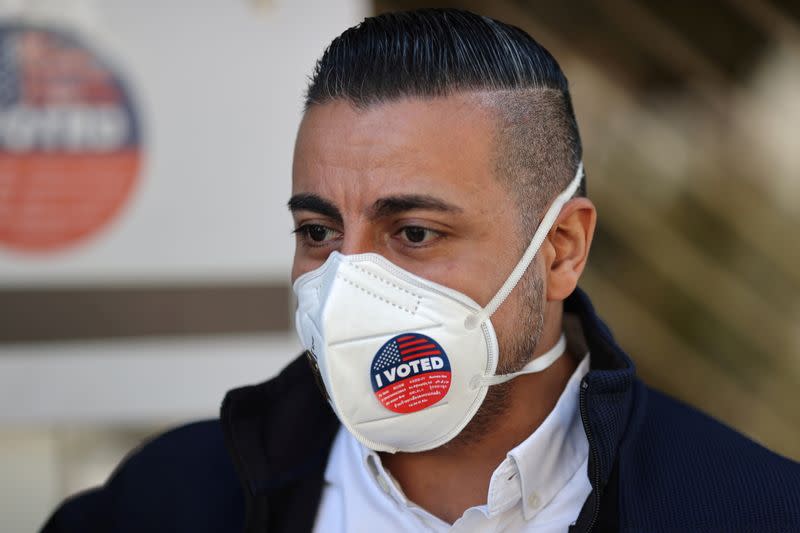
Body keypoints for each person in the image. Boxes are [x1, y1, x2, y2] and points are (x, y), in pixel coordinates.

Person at [42, 8, 800, 533]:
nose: (348, 284)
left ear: (562, 247)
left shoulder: (745, 509)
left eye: (413, 231)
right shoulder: (167, 502)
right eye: (318, 230)